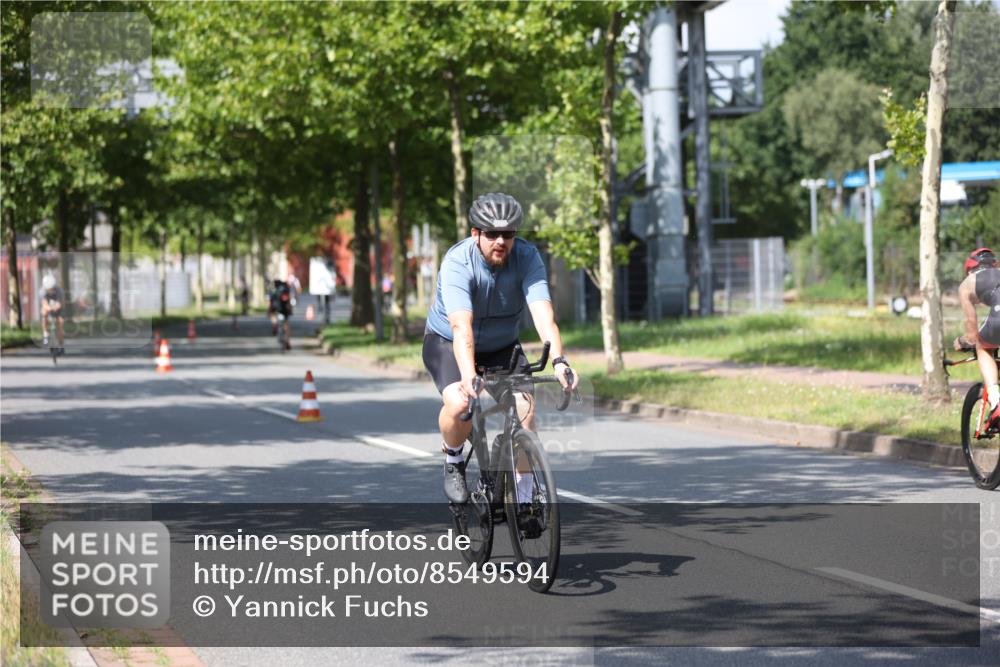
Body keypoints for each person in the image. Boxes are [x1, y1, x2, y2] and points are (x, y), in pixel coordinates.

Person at [422, 192, 579, 504]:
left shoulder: (527, 257)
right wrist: (468, 375)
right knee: (458, 404)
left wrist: (560, 361)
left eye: (507, 234)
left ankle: (524, 497)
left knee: (525, 409)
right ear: (476, 234)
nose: (500, 241)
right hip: (448, 342)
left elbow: (543, 315)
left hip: (501, 345)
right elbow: (460, 326)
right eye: (491, 233)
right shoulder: (457, 262)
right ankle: (453, 459)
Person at [954, 247, 1000, 428]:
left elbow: (972, 334)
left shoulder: (967, 284)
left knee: (982, 346)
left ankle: (996, 401)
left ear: (970, 269)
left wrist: (961, 341)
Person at [38, 273, 65, 351]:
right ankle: (45, 333)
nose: (49, 290)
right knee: (43, 313)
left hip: (58, 308)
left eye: (51, 288)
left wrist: (56, 307)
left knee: (60, 323)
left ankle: (61, 344)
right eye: (48, 289)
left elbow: (60, 303)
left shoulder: (59, 291)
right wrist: (49, 308)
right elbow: (44, 303)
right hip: (48, 307)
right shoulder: (42, 291)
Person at [268, 278, 293, 349]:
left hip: (276, 309)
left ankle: (275, 327)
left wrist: (269, 310)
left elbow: (270, 301)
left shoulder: (274, 291)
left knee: (275, 318)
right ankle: (288, 341)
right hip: (285, 310)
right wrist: (290, 309)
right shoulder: (285, 290)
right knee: (286, 324)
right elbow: (289, 300)